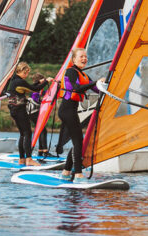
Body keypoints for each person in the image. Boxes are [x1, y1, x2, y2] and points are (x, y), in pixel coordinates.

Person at [58, 48, 104, 183]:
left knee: (78, 141)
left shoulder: (83, 75)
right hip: (66, 110)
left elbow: (96, 89)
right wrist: (95, 82)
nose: (84, 58)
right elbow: (76, 89)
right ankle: (78, 174)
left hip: (71, 110)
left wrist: (105, 85)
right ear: (74, 59)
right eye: (81, 56)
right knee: (78, 142)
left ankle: (66, 172)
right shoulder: (71, 72)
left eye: (85, 56)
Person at [7, 64, 52, 166]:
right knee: (27, 133)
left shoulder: (14, 81)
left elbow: (29, 87)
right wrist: (46, 81)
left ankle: (22, 159)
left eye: (27, 72)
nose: (26, 74)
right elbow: (34, 89)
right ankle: (29, 159)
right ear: (20, 71)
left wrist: (38, 82)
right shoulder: (20, 81)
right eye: (25, 72)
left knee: (23, 134)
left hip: (14, 110)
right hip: (20, 110)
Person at [27, 73, 50, 157]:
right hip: (33, 113)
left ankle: (40, 151)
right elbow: (34, 90)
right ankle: (45, 151)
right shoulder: (35, 89)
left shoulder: (39, 90)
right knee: (43, 130)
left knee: (41, 131)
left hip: (34, 113)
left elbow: (47, 92)